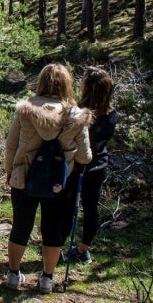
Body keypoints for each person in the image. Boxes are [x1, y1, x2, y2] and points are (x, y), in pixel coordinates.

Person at [4, 63, 93, 294]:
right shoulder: (76, 115)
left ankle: (13, 275)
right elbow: (85, 155)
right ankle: (47, 279)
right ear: (67, 84)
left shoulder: (26, 109)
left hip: (23, 177)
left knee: (21, 226)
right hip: (60, 183)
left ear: (41, 81)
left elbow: (11, 145)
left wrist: (9, 172)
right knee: (52, 229)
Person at [61, 66, 119, 264]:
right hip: (99, 166)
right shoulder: (112, 115)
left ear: (89, 87)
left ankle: (56, 247)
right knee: (90, 207)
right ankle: (83, 249)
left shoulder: (79, 113)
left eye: (83, 80)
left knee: (67, 207)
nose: (80, 83)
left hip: (78, 165)